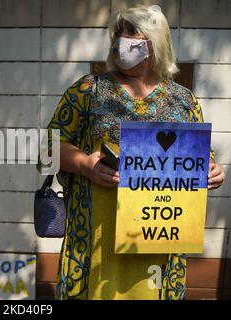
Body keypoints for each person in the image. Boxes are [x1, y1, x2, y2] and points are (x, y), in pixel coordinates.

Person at [46, 5, 226, 300]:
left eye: (132, 31)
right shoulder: (88, 90)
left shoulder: (184, 100)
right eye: (119, 32)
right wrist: (84, 164)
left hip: (158, 236)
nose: (122, 39)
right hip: (97, 237)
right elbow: (47, 148)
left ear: (156, 41)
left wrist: (212, 169)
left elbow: (199, 157)